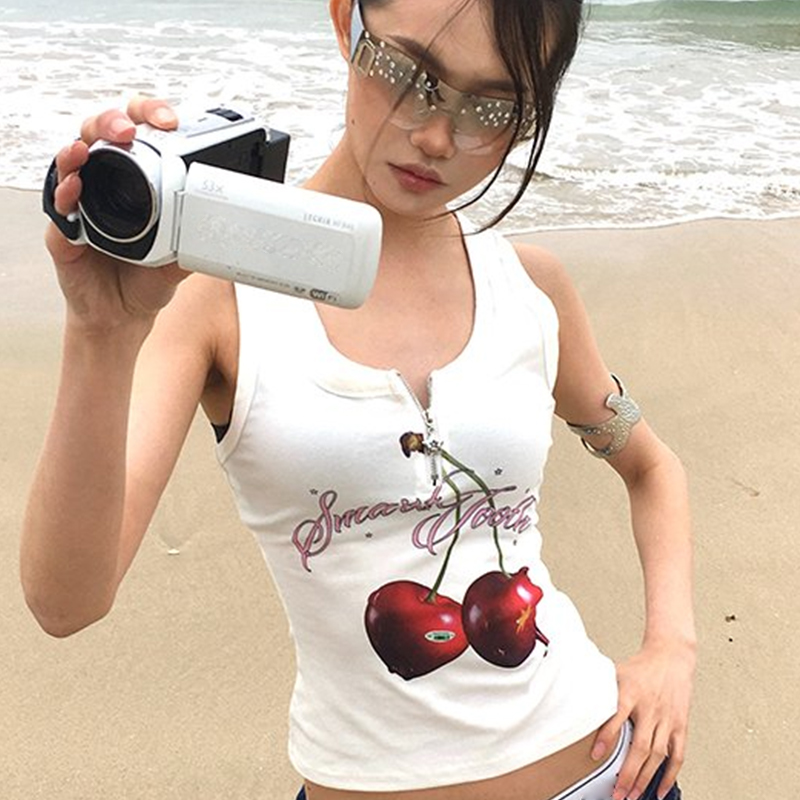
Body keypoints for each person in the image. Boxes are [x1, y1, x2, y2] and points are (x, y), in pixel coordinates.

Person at [21, 1, 696, 799]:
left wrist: (673, 650)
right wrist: (101, 332)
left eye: (492, 107)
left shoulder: (530, 288)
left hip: (607, 774)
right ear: (347, 22)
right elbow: (66, 602)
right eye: (408, 72)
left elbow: (652, 467)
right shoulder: (217, 301)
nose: (437, 136)